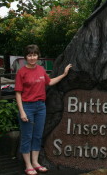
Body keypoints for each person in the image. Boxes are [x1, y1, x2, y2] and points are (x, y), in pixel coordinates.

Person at [15, 44, 72, 175]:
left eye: (34, 55)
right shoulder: (21, 72)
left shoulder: (41, 69)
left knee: (37, 136)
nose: (32, 57)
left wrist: (64, 74)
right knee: (27, 136)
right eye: (29, 55)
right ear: (26, 57)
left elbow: (49, 82)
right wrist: (22, 111)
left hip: (41, 107)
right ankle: (27, 165)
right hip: (27, 107)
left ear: (38, 56)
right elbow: (18, 93)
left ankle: (35, 162)